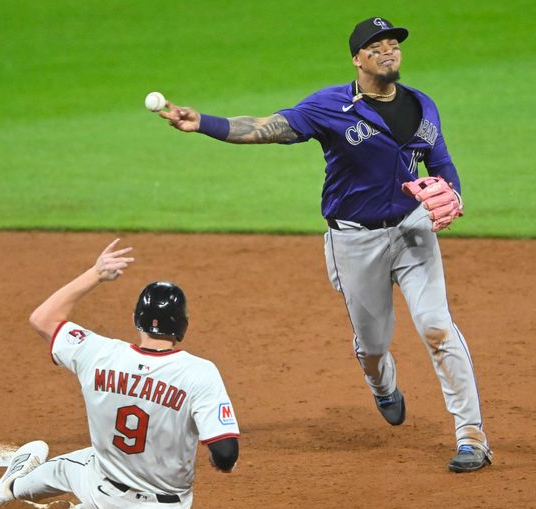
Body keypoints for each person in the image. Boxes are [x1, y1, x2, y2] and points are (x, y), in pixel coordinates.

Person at [157, 16, 491, 472]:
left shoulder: (421, 105)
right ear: (357, 58)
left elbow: (441, 162)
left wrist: (453, 192)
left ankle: (471, 435)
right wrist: (204, 123)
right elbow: (266, 126)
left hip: (413, 231)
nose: (389, 50)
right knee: (373, 345)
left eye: (394, 43)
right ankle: (381, 383)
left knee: (436, 327)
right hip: (355, 240)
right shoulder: (329, 106)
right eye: (377, 45)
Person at [0, 239, 241, 509]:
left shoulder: (98, 353)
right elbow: (225, 453)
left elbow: (42, 318)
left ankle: (12, 490)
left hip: (103, 493)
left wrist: (96, 273)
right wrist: (222, 462)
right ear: (183, 325)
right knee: (94, 464)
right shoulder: (200, 373)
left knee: (70, 465)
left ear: (136, 319)